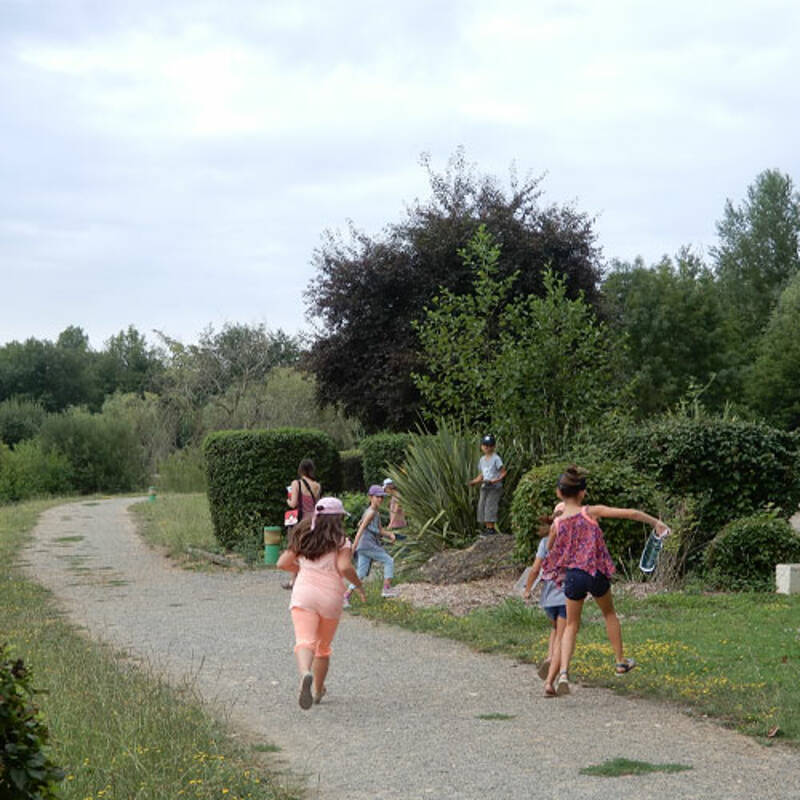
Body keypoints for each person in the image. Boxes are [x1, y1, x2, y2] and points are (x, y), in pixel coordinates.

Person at [542, 466, 669, 696]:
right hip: (595, 572)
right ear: (583, 493)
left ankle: (563, 674)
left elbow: (550, 548)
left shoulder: (558, 524)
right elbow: (630, 513)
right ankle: (620, 660)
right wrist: (655, 523)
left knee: (571, 625)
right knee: (609, 613)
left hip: (573, 576)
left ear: (559, 493)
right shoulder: (590, 512)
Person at [276, 497, 365, 709]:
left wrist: (302, 570)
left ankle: (305, 672)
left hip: (303, 594)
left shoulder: (304, 536)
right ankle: (317, 690)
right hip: (330, 597)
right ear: (338, 519)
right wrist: (358, 585)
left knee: (304, 641)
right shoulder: (342, 541)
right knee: (322, 648)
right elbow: (344, 567)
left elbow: (282, 563)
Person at [523, 502, 567, 697]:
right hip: (567, 597)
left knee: (555, 629)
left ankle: (550, 657)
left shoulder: (544, 543)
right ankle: (551, 681)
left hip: (548, 598)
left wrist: (527, 590)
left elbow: (535, 569)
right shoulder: (573, 542)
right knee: (562, 637)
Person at [343, 485, 397, 606]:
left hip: (364, 546)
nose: (380, 500)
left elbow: (379, 530)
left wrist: (390, 534)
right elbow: (361, 529)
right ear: (370, 497)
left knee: (360, 573)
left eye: (382, 497)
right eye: (377, 497)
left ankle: (345, 596)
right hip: (367, 545)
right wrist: (353, 547)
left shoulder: (372, 512)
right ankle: (386, 588)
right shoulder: (371, 513)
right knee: (389, 560)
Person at [282, 460, 321, 590]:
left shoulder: (296, 483)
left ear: (301, 470)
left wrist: (287, 499)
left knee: (295, 550)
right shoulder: (317, 485)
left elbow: (293, 504)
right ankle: (311, 579)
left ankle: (294, 580)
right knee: (309, 551)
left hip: (299, 522)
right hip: (312, 521)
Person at [468, 434, 507, 535]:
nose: (487, 447)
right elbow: (482, 474)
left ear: (493, 447)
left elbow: (503, 472)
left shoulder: (496, 458)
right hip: (485, 485)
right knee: (482, 505)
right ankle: (486, 528)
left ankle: (491, 529)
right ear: (481, 446)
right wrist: (474, 481)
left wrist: (496, 479)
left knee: (490, 505)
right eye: (485, 445)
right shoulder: (482, 460)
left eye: (490, 445)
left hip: (494, 487)